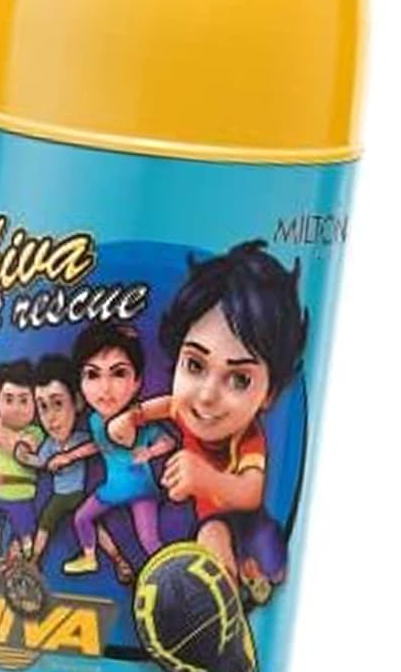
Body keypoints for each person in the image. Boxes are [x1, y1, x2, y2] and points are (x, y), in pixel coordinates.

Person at [112, 241, 307, 605]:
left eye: (239, 380)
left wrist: (205, 478)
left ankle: (254, 574)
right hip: (214, 519)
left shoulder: (247, 439)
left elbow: (250, 491)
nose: (205, 396)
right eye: (195, 365)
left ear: (269, 394)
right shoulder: (188, 411)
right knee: (212, 537)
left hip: (247, 518)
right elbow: (168, 406)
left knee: (273, 564)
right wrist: (133, 417)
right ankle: (223, 607)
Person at [61, 321, 173, 577]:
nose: (105, 389)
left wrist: (150, 452)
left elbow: (168, 441)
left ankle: (172, 576)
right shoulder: (94, 420)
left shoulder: (139, 421)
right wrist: (70, 456)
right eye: (92, 375)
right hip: (112, 489)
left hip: (139, 488)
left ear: (137, 381)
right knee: (81, 518)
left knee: (150, 541)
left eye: (119, 373)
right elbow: (100, 445)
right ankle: (89, 557)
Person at [0, 359, 43, 560]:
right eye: (9, 400)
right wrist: (15, 447)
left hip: (20, 493)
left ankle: (27, 546)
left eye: (24, 401)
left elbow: (25, 451)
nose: (16, 408)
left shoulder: (35, 432)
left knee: (24, 524)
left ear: (35, 403)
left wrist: (17, 448)